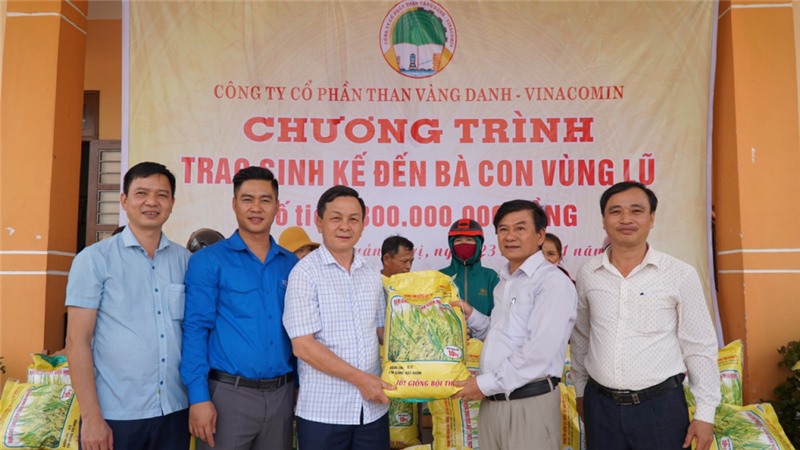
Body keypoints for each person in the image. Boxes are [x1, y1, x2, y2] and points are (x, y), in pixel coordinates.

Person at [570, 181, 720, 450]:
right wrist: (581, 392)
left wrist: (705, 413)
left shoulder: (679, 273)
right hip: (600, 407)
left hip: (660, 408)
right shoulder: (588, 273)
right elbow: (581, 336)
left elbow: (699, 345)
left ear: (651, 219)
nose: (626, 219)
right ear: (603, 220)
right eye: (615, 211)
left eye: (636, 211)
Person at [65, 162, 190, 450]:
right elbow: (77, 341)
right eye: (141, 193)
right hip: (115, 415)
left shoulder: (185, 261)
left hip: (174, 411)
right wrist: (92, 417)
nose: (152, 202)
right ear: (124, 200)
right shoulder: (95, 259)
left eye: (162, 195)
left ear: (172, 203)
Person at [180, 166, 298, 450]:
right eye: (247, 199)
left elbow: (299, 331)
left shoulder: (291, 264)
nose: (256, 207)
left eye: (265, 200)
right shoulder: (209, 261)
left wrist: (297, 387)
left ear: (277, 206)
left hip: (282, 396)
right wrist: (198, 397)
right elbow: (195, 329)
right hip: (227, 397)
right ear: (234, 204)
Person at [453, 200, 577, 450]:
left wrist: (482, 385)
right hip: (493, 404)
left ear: (540, 235)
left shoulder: (552, 282)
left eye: (520, 228)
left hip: (529, 404)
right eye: (503, 229)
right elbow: (500, 335)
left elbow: (538, 352)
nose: (510, 237)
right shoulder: (505, 282)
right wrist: (469, 313)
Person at [283, 185, 393, 450]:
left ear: (363, 225)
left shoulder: (371, 273)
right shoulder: (304, 273)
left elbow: (382, 331)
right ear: (319, 222)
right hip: (324, 413)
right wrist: (361, 380)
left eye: (353, 219)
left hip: (372, 411)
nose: (345, 226)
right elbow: (303, 346)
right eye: (336, 218)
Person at [439, 218, 500, 316]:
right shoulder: (440, 276)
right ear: (451, 245)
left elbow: (499, 314)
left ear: (479, 244)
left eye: (469, 240)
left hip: (485, 326)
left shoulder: (490, 276)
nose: (464, 244)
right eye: (458, 240)